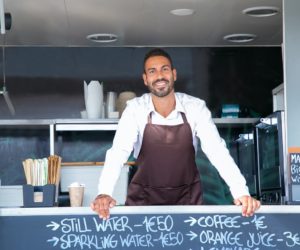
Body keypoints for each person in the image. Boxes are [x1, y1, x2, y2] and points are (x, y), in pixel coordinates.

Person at [91, 48, 260, 219]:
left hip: (187, 203)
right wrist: (104, 192)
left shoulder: (195, 107)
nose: (159, 76)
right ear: (145, 79)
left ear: (174, 74)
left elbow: (217, 151)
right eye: (152, 71)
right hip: (143, 204)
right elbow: (118, 153)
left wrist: (241, 192)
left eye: (164, 69)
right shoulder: (135, 109)